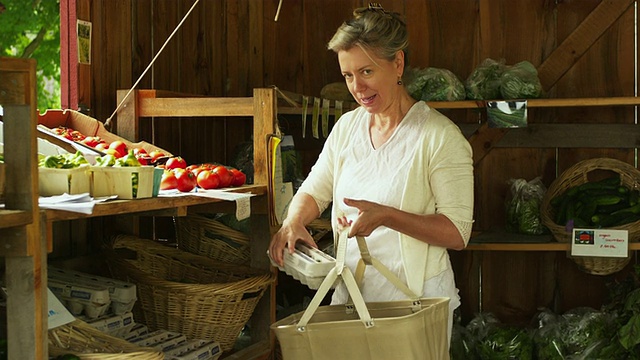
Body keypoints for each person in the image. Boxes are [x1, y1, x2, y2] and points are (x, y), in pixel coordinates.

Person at [268, 3, 474, 345]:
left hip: (416, 305)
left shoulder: (439, 136)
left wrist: (387, 217)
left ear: (398, 64)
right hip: (352, 300)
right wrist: (293, 221)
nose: (357, 87)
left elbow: (457, 231)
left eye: (366, 72)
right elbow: (316, 189)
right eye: (348, 75)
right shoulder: (348, 127)